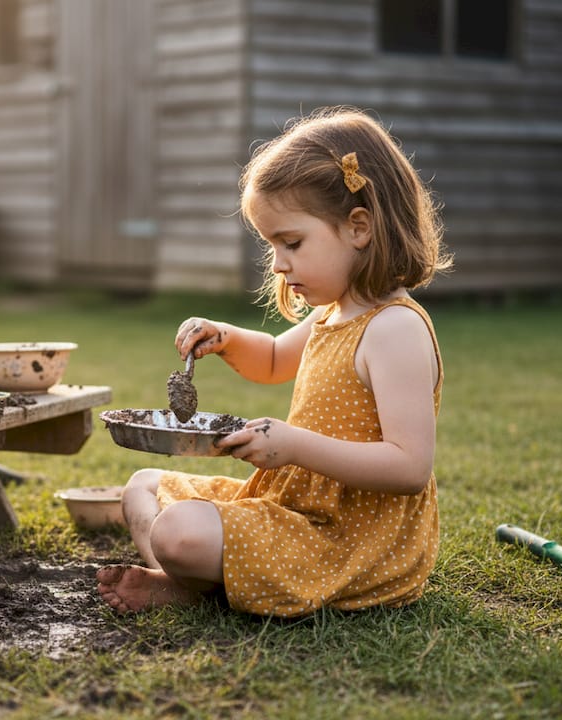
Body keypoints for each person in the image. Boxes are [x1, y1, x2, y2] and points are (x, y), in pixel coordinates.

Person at [97, 106, 453, 617]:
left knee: (177, 531)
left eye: (291, 243)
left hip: (348, 538)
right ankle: (193, 582)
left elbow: (409, 467)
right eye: (272, 247)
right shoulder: (335, 314)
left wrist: (291, 445)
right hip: (294, 508)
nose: (280, 265)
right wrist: (224, 337)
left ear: (359, 227)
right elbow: (270, 360)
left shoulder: (394, 329)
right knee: (142, 487)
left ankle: (188, 583)